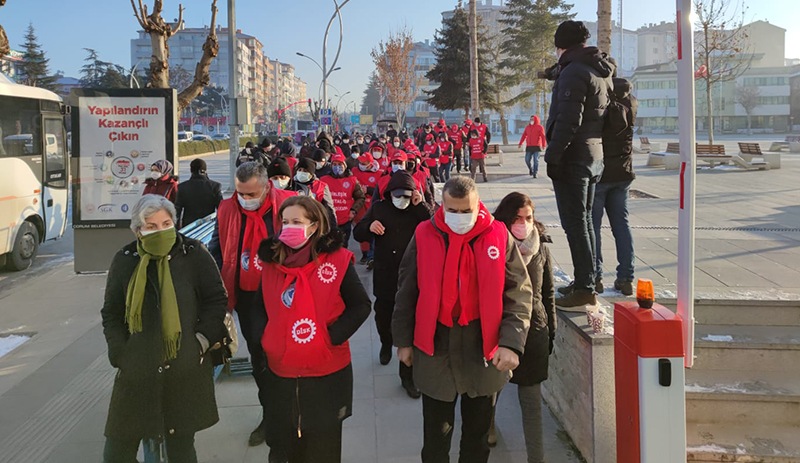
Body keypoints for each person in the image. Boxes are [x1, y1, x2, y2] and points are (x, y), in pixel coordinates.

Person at [392, 176, 533, 463]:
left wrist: (512, 342)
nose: (459, 218)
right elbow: (407, 289)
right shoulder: (424, 234)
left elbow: (518, 292)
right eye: (452, 211)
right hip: (436, 343)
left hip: (483, 344)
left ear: (477, 204)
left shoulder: (497, 234)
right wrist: (403, 341)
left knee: (477, 437)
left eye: (465, 211)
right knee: (436, 436)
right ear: (441, 206)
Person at [101, 194, 228, 463]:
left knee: (181, 449)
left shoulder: (193, 254)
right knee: (117, 452)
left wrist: (201, 341)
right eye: (152, 226)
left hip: (184, 369)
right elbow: (111, 312)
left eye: (166, 223)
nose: (161, 231)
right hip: (137, 371)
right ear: (138, 230)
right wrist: (119, 352)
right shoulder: (125, 260)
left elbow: (216, 300)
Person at [255, 195, 371, 463]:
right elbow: (259, 308)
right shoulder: (272, 264)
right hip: (281, 374)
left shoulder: (338, 260)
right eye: (285, 222)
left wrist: (329, 337)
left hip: (326, 374)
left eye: (297, 221)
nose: (289, 227)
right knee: (285, 448)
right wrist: (267, 339)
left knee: (323, 449)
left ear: (314, 225)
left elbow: (361, 306)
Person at [207, 162, 297, 448]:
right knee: (260, 358)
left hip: (286, 295)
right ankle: (270, 414)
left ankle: (294, 412)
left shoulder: (289, 205)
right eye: (240, 193)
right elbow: (217, 247)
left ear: (267, 186)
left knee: (290, 355)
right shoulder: (227, 209)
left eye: (252, 194)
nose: (246, 199)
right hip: (248, 297)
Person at [544, 20, 614, 308]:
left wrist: (553, 155)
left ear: (562, 45)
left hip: (574, 157)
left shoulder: (574, 72)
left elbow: (568, 120)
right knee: (586, 222)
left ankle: (585, 286)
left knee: (575, 223)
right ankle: (590, 277)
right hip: (594, 154)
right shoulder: (600, 70)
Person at [353, 172, 432, 398]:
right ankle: (386, 343)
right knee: (383, 317)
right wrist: (370, 227)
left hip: (413, 277)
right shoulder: (379, 208)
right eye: (397, 196)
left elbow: (435, 224)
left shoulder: (418, 210)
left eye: (406, 196)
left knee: (410, 325)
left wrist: (421, 205)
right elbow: (359, 232)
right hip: (386, 275)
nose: (401, 200)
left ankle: (407, 376)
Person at [490, 192, 556, 463]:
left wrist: (550, 330)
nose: (523, 223)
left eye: (528, 217)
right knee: (492, 390)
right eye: (517, 218)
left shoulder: (540, 247)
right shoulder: (492, 245)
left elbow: (548, 291)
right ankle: (489, 426)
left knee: (531, 402)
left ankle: (536, 458)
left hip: (534, 332)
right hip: (499, 330)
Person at [592, 76, 638, 296]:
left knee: (593, 228)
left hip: (600, 174)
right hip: (623, 172)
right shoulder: (631, 102)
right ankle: (626, 278)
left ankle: (596, 277)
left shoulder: (600, 99)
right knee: (622, 224)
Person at [319, 154, 366, 247]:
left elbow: (360, 197)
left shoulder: (352, 180)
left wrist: (353, 211)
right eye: (335, 164)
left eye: (340, 164)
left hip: (345, 220)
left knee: (343, 247)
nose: (337, 167)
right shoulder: (324, 180)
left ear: (345, 165)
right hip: (328, 220)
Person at [174, 159, 223, 228]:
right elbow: (221, 209)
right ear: (205, 170)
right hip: (208, 226)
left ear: (191, 170)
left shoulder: (182, 187)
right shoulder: (215, 186)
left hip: (188, 227)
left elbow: (177, 211)